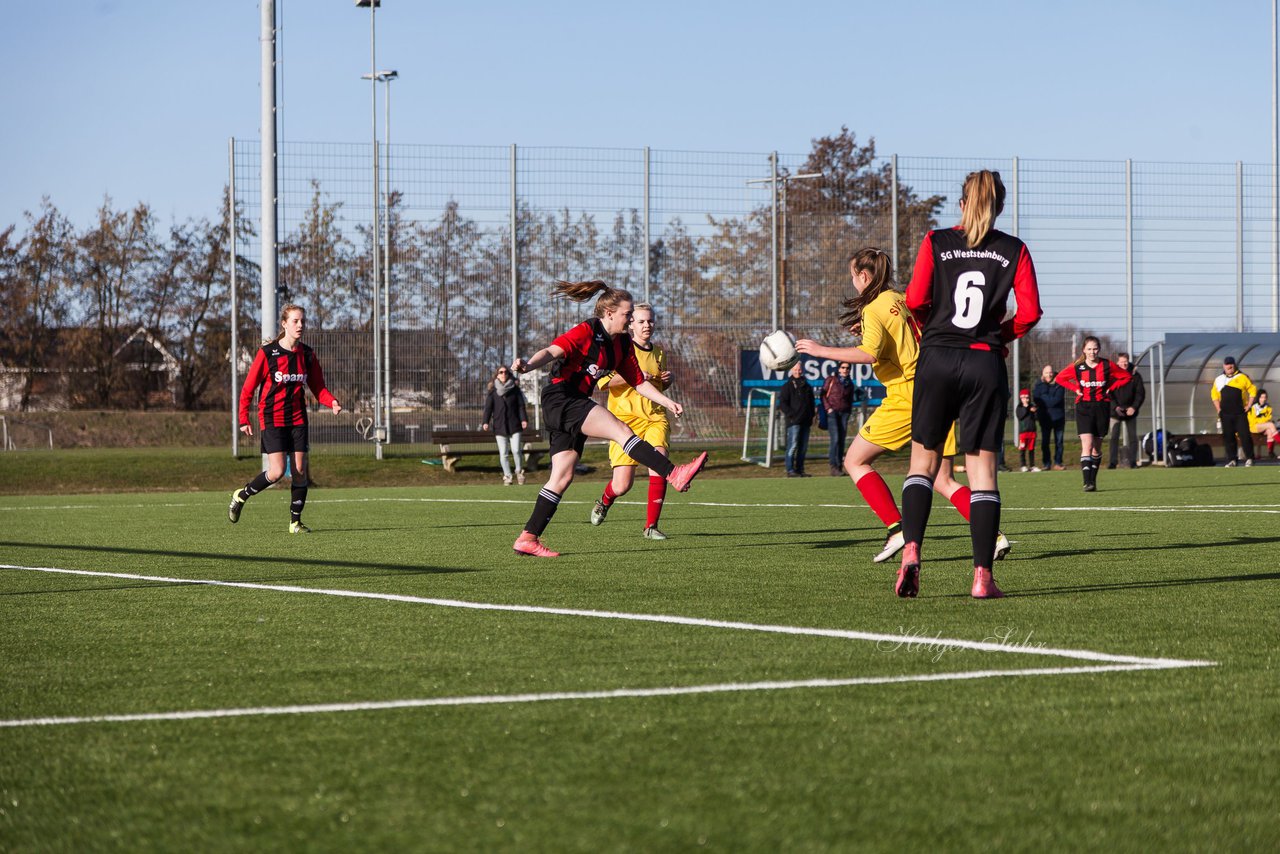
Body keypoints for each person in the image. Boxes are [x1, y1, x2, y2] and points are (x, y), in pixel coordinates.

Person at [796, 247, 1012, 566]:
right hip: (939, 387)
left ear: (864, 276)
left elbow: (869, 354)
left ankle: (897, 529)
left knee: (854, 460)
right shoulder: (900, 298)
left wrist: (820, 350)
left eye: (853, 276)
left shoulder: (873, 308)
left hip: (907, 394)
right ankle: (993, 536)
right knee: (942, 479)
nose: (853, 282)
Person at [896, 170, 1042, 599]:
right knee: (982, 475)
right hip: (984, 364)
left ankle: (911, 552)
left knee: (921, 466)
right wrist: (1000, 336)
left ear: (961, 205)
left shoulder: (936, 241)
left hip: (937, 358)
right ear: (999, 207)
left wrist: (935, 332)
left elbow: (915, 300)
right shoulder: (1013, 249)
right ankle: (982, 577)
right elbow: (1030, 312)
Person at [509, 280, 707, 557]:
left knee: (562, 477)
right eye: (627, 314)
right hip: (561, 398)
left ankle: (528, 538)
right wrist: (528, 365)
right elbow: (553, 351)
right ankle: (674, 473)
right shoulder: (587, 330)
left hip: (573, 403)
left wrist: (667, 401)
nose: (630, 320)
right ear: (610, 313)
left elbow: (638, 382)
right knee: (619, 428)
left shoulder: (623, 344)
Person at [228, 303, 342, 534]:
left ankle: (295, 522)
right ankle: (242, 494)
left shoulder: (307, 354)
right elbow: (248, 389)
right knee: (277, 472)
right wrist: (243, 419)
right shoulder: (268, 353)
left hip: (298, 418)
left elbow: (318, 386)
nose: (300, 325)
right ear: (284, 324)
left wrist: (332, 402)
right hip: (272, 417)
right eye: (295, 321)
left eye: (302, 321)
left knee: (299, 470)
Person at [589, 303, 676, 539]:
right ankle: (605, 502)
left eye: (650, 321)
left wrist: (667, 380)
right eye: (641, 321)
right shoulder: (618, 350)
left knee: (659, 463)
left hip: (654, 417)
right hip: (624, 423)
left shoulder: (658, 352)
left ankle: (651, 526)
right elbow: (603, 382)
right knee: (622, 486)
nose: (647, 325)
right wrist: (633, 376)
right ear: (631, 324)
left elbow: (659, 385)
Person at [1055, 337, 1131, 492]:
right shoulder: (1078, 366)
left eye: (1095, 348)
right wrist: (1075, 388)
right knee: (1087, 444)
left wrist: (1111, 387)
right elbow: (1060, 378)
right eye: (1089, 349)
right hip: (1084, 407)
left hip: (1102, 407)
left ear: (1099, 349)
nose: (1092, 352)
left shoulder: (1107, 365)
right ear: (1084, 350)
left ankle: (1092, 480)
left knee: (1096, 448)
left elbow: (1126, 377)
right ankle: (1086, 482)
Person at [481, 365, 529, 485]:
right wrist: (485, 422)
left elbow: (521, 406)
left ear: (509, 374)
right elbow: (488, 409)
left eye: (505, 372)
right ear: (497, 375)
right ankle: (507, 476)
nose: (503, 374)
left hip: (515, 425)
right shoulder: (493, 392)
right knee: (503, 453)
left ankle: (519, 472)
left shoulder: (515, 390)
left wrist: (524, 419)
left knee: (516, 450)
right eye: (500, 372)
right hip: (499, 426)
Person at [1211, 355, 1256, 467]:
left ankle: (1249, 458)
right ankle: (1232, 460)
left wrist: (1249, 405)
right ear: (1224, 366)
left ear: (1234, 365)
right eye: (1227, 364)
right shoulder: (1219, 379)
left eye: (1231, 364)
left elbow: (1253, 390)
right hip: (1225, 414)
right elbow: (1214, 396)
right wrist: (1219, 410)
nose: (1229, 366)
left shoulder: (1242, 377)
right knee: (1228, 437)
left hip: (1240, 413)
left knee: (1245, 435)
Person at [1107, 352, 1146, 469]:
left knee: (1132, 437)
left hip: (1130, 412)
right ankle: (1113, 462)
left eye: (1125, 361)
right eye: (1121, 362)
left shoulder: (1135, 376)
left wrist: (1134, 407)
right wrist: (1115, 407)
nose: (1123, 364)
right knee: (1114, 437)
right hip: (1115, 412)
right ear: (1117, 362)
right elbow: (1109, 393)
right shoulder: (1112, 376)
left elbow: (1140, 394)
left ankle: (1133, 461)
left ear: (1128, 361)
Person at [778, 361, 815, 477]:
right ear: (791, 370)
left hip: (806, 421)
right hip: (794, 422)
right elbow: (783, 404)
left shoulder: (807, 386)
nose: (797, 372)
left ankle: (800, 470)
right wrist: (792, 415)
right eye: (795, 369)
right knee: (793, 445)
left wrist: (812, 415)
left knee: (803, 447)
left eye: (799, 369)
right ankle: (790, 470)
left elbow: (812, 403)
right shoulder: (787, 386)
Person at [821, 362, 855, 476]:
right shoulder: (831, 379)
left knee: (841, 440)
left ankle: (839, 467)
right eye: (843, 367)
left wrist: (848, 411)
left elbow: (850, 399)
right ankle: (833, 466)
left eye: (847, 368)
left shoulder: (849, 383)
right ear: (839, 369)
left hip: (844, 413)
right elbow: (823, 395)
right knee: (835, 439)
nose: (845, 370)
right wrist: (828, 408)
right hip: (832, 413)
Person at [1031, 364, 1066, 470]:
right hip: (1045, 418)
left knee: (1059, 442)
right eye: (1046, 372)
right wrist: (1047, 400)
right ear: (1043, 373)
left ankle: (1058, 463)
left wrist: (1044, 399)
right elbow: (1036, 398)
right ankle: (1046, 464)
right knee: (1045, 442)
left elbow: (1056, 400)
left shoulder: (1060, 384)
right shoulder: (1038, 385)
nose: (1049, 375)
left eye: (1050, 372)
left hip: (1058, 418)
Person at [1248, 388, 1278, 458]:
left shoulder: (1268, 407)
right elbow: (1252, 420)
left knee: (1270, 431)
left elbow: (1268, 418)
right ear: (1258, 397)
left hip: (1263, 427)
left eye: (1265, 397)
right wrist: (1263, 421)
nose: (1263, 399)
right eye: (1261, 397)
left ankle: (1271, 452)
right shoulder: (1253, 407)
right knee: (1271, 425)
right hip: (1254, 426)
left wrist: (1263, 421)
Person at [1015, 389, 1038, 471]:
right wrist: (1026, 407)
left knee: (1031, 449)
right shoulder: (1019, 407)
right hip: (1023, 432)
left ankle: (1032, 466)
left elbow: (1036, 417)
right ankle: (1023, 465)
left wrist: (1034, 412)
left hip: (1032, 431)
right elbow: (1020, 416)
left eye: (1027, 397)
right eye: (1023, 398)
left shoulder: (1032, 406)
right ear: (1020, 398)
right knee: (1022, 449)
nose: (1025, 399)